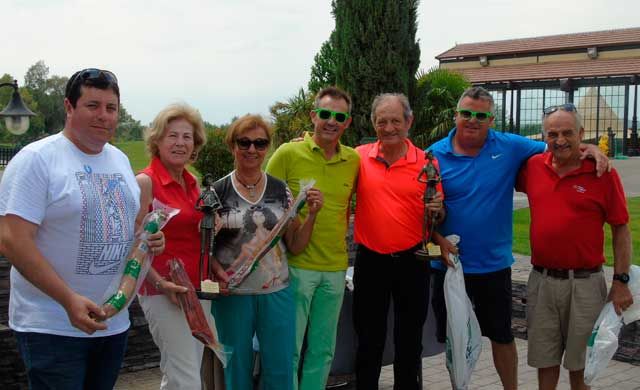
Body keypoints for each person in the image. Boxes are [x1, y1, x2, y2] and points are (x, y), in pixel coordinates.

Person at [428, 86, 610, 390]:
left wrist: (589, 148)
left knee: (502, 336)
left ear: (492, 119)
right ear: (456, 115)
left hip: (493, 267)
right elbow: (421, 211)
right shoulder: (433, 154)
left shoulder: (510, 146)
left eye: (481, 115)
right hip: (448, 267)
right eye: (466, 113)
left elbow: (559, 145)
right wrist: (436, 236)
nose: (472, 120)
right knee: (454, 340)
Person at [0, 68, 164, 390]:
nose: (104, 116)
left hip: (111, 322)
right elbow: (12, 240)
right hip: (52, 324)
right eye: (93, 105)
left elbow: (128, 229)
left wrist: (149, 238)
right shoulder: (37, 159)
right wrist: (68, 299)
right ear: (69, 107)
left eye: (111, 108)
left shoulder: (118, 160)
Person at [517, 103, 633, 390]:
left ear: (581, 134)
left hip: (585, 284)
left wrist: (620, 281)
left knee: (581, 365)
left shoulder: (602, 173)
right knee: (545, 362)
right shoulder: (533, 167)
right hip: (541, 281)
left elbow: (621, 228)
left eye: (568, 132)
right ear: (544, 138)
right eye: (552, 134)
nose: (560, 140)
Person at [210, 114, 324, 390]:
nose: (252, 150)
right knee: (237, 367)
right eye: (244, 142)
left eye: (260, 143)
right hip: (234, 295)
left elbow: (295, 245)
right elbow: (205, 250)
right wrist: (218, 275)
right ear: (232, 146)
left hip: (277, 292)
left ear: (267, 148)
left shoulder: (279, 189)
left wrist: (312, 216)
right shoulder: (217, 192)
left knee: (280, 368)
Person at [265, 86, 360, 390]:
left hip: (335, 268)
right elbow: (265, 203)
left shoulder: (354, 161)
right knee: (289, 350)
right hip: (296, 266)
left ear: (347, 122)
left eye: (339, 116)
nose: (331, 121)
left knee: (323, 350)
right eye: (326, 114)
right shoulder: (288, 153)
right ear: (313, 116)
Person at [352, 93, 444, 390]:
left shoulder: (428, 162)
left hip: (412, 260)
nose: (389, 127)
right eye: (382, 121)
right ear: (373, 123)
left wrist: (438, 211)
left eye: (395, 121)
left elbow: (436, 214)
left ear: (409, 121)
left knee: (409, 339)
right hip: (371, 259)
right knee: (368, 337)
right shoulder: (359, 157)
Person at [135, 103, 209, 389]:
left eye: (187, 137)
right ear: (157, 141)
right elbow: (134, 245)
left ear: (195, 144)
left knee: (182, 371)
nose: (180, 143)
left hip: (196, 290)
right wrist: (160, 283)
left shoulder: (194, 183)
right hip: (162, 291)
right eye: (172, 136)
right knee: (186, 377)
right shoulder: (145, 182)